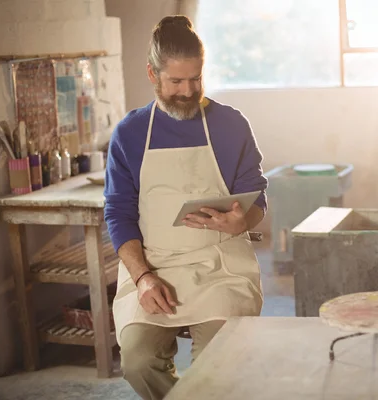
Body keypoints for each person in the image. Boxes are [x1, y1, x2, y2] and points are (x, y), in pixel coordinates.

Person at [103, 15, 266, 400]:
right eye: (176, 81)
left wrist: (241, 222)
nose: (188, 90)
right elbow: (118, 214)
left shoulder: (230, 125)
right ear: (152, 74)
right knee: (138, 362)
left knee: (219, 363)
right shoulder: (130, 134)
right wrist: (143, 277)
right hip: (154, 265)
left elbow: (256, 198)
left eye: (196, 79)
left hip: (220, 265)